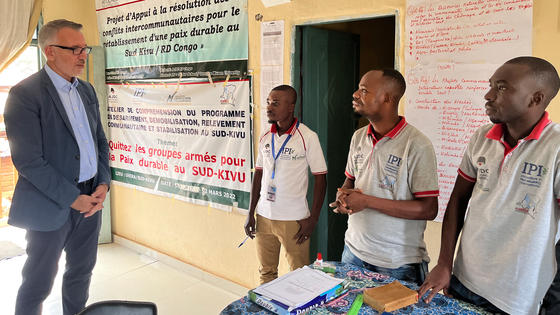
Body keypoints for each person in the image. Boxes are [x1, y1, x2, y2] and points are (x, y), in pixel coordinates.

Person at [418, 56, 560, 314]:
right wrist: (444, 264)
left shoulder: (556, 148)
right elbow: (458, 202)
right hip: (464, 278)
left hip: (516, 295)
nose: (488, 95)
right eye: (492, 85)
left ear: (536, 98)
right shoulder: (482, 137)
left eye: (502, 87)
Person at [4, 19, 110, 315]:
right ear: (50, 51)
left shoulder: (86, 91)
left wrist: (103, 183)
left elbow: (100, 141)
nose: (83, 54)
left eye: (84, 48)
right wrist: (71, 198)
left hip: (90, 200)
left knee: (81, 275)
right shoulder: (25, 95)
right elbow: (28, 161)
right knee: (37, 282)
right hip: (49, 204)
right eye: (74, 48)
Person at [331, 69, 439, 286]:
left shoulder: (416, 144)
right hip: (353, 252)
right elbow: (351, 180)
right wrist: (344, 196)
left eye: (364, 91)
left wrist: (367, 202)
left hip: (397, 264)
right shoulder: (358, 137)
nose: (355, 94)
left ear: (387, 98)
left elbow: (428, 209)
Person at [244, 85, 327, 284]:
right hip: (264, 217)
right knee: (266, 273)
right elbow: (259, 175)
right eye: (268, 102)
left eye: (276, 103)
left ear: (291, 107)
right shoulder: (265, 136)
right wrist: (250, 212)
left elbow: (321, 178)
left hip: (294, 220)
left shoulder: (307, 137)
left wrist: (313, 219)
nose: (269, 107)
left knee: (299, 276)